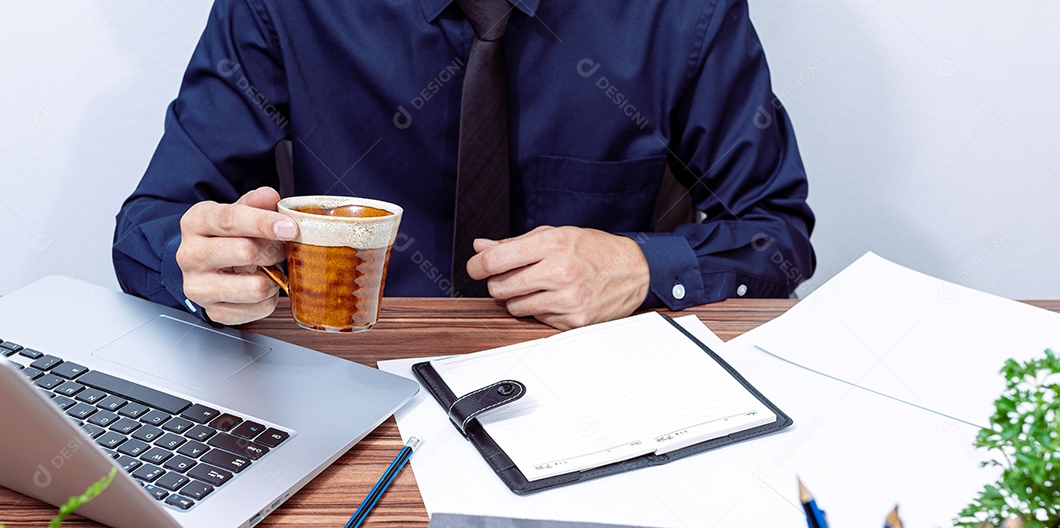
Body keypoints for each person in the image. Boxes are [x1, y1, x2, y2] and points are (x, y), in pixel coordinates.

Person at [113, 0, 815, 330]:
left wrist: (641, 267)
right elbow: (146, 226)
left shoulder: (683, 11)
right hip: (342, 388)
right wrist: (192, 260)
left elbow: (778, 235)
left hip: (595, 398)